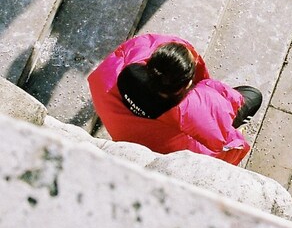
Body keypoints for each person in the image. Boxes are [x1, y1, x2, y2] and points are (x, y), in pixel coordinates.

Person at [87, 33, 262, 165]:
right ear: (185, 85)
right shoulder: (196, 118)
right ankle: (234, 116)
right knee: (252, 98)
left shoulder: (109, 76)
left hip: (124, 128)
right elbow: (222, 154)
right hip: (176, 134)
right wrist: (237, 138)